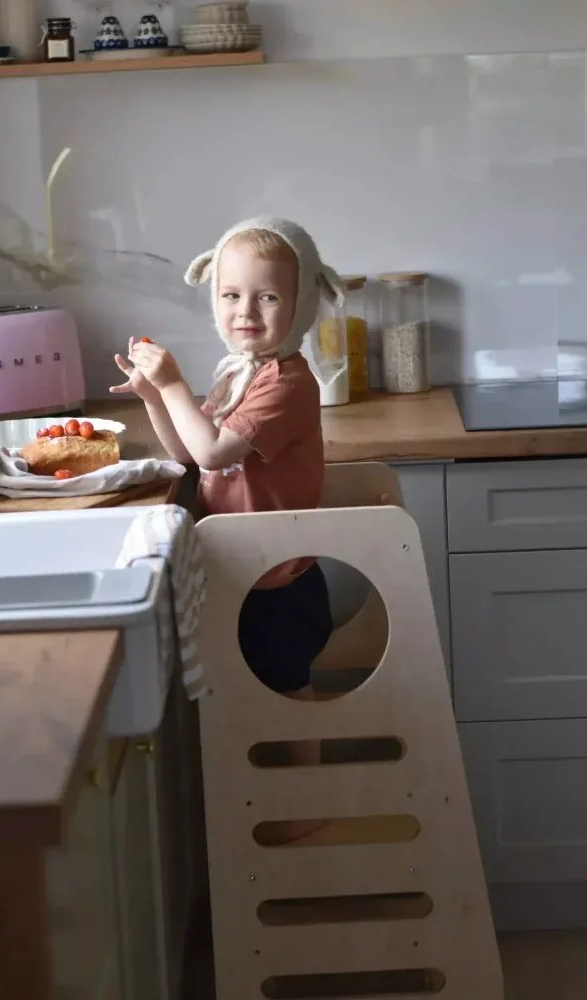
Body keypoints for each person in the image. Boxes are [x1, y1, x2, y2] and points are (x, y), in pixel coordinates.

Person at [111, 218, 343, 780]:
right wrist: (153, 397)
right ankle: (276, 792)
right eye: (232, 295)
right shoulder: (239, 375)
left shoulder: (286, 382)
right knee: (265, 690)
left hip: (281, 577)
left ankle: (305, 803)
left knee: (290, 693)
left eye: (267, 297)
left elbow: (214, 454)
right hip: (250, 568)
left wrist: (171, 385)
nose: (246, 311)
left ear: (302, 305)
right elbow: (189, 454)